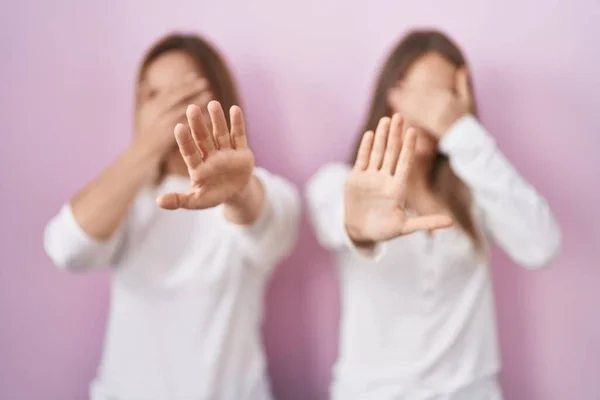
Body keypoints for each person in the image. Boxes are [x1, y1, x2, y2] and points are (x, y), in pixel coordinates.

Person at [306, 29, 561, 399]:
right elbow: (339, 223)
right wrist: (361, 230)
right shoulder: (335, 184)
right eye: (420, 94)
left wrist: (461, 133)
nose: (430, 112)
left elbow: (542, 246)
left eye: (445, 98)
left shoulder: (476, 192)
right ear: (391, 95)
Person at [43, 33, 300, 400]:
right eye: (151, 96)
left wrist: (239, 191)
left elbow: (273, 229)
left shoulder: (258, 190)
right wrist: (145, 148)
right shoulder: (126, 198)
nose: (167, 109)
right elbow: (67, 249)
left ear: (218, 100)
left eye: (183, 94)